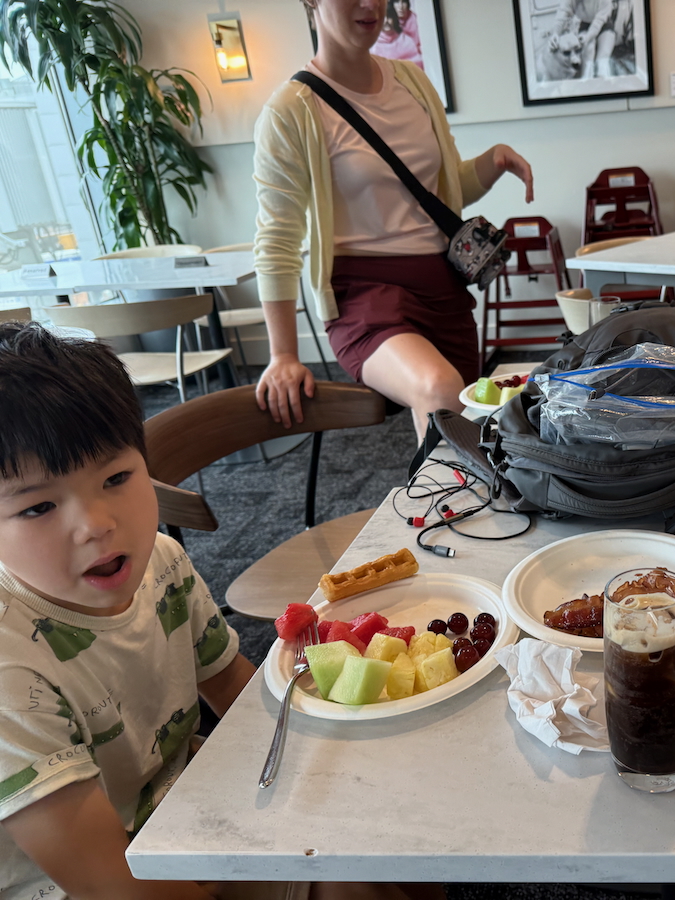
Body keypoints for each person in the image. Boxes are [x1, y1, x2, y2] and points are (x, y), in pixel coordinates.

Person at [0, 322, 257, 898]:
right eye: (38, 507)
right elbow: (111, 885)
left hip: (181, 811)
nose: (97, 525)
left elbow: (238, 695)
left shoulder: (161, 560)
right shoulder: (9, 668)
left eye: (116, 477)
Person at [255, 0, 534, 434]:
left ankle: (440, 482)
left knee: (467, 422)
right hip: (364, 296)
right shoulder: (291, 110)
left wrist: (491, 162)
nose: (371, 4)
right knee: (439, 389)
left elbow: (443, 194)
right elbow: (277, 240)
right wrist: (283, 355)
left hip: (442, 288)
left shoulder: (412, 82)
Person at [372, 0, 422, 66]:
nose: (386, 21)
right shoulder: (372, 45)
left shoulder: (406, 40)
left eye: (389, 17)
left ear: (394, 18)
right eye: (383, 18)